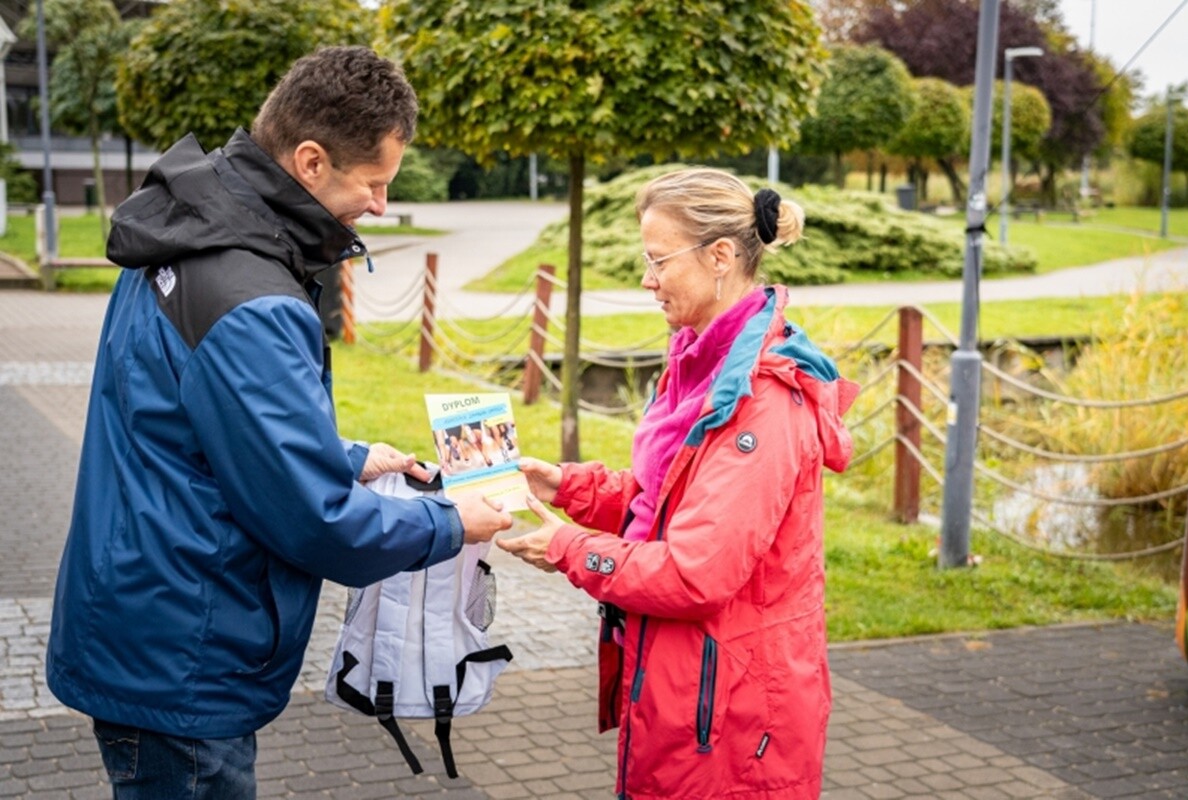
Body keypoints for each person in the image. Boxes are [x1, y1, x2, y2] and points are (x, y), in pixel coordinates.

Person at [45, 46, 513, 798]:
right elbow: (317, 524)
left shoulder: (188, 231)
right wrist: (453, 523)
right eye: (376, 183)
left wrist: (350, 455)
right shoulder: (251, 296)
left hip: (146, 611)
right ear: (310, 161)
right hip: (187, 653)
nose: (383, 205)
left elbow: (195, 421)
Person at [497, 167, 859, 800]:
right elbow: (667, 500)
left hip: (733, 720)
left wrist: (568, 548)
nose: (646, 278)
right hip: (688, 690)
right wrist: (569, 487)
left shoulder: (761, 399)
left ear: (719, 256)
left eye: (658, 259)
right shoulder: (702, 362)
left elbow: (695, 570)